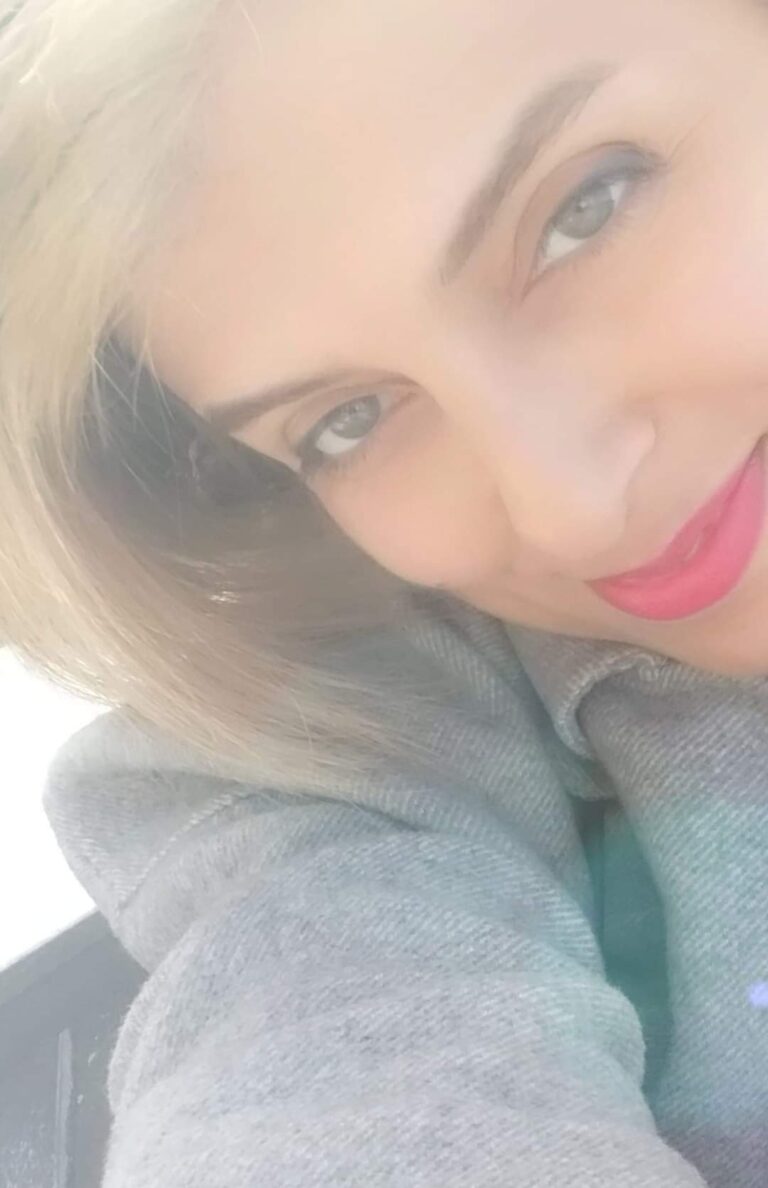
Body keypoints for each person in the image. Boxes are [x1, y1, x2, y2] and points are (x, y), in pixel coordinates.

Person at [3, 0, 768, 1182]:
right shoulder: (363, 766)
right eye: (349, 421)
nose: (567, 510)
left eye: (586, 208)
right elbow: (321, 1056)